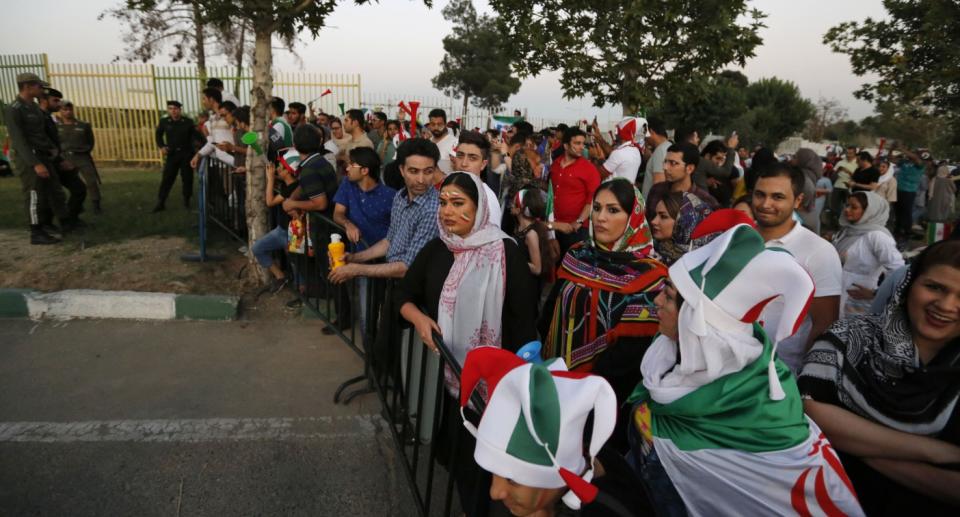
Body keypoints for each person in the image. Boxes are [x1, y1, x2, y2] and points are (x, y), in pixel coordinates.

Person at [630, 219, 862, 516]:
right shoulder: (669, 355)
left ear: (699, 325)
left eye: (670, 296)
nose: (656, 300)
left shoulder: (763, 413)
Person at [395, 172, 538, 516]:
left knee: (488, 468)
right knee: (461, 460)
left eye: (458, 204)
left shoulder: (507, 253)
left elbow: (523, 322)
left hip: (495, 388)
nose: (446, 212)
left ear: (481, 208)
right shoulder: (437, 249)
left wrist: (515, 382)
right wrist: (418, 317)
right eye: (443, 203)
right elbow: (405, 295)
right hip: (447, 382)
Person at [800, 239, 960, 515]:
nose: (946, 305)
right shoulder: (849, 337)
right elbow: (807, 411)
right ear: (910, 284)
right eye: (934, 287)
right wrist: (935, 452)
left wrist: (852, 443)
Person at [541, 178, 667, 451]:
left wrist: (582, 388)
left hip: (604, 397)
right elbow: (551, 308)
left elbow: (631, 354)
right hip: (554, 381)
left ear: (633, 217)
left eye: (613, 210)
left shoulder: (651, 276)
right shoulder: (577, 254)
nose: (600, 218)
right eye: (597, 208)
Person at [458, 347, 653, 517]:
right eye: (495, 472)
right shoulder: (581, 460)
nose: (495, 492)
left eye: (513, 479)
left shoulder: (608, 510)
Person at [752, 163, 842, 372]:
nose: (766, 204)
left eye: (777, 197)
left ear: (798, 200)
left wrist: (804, 377)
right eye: (760, 194)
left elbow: (824, 324)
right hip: (729, 367)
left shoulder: (819, 252)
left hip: (781, 374)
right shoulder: (739, 239)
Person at [328, 138, 441, 283]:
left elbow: (407, 267)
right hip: (394, 281)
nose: (421, 179)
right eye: (413, 171)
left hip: (415, 287)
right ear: (402, 170)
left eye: (428, 171)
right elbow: (389, 241)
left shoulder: (432, 210)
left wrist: (356, 269)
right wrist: (354, 258)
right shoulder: (400, 197)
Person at [4, 73, 72, 244]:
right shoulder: (14, 109)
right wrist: (35, 164)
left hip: (44, 154)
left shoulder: (34, 107)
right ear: (27, 87)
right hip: (29, 157)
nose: (42, 90)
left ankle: (65, 224)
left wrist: (51, 149)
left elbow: (40, 133)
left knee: (55, 190)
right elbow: (19, 140)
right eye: (39, 86)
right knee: (34, 194)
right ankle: (36, 232)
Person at [833, 191, 904, 316]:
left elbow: (898, 270)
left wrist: (876, 293)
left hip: (857, 298)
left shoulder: (877, 236)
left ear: (869, 212)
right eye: (847, 205)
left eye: (854, 207)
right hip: (836, 291)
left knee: (854, 332)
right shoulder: (848, 231)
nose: (847, 210)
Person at [548, 127, 602, 256]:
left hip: (576, 230)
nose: (581, 147)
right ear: (566, 146)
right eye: (577, 143)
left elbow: (593, 199)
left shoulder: (589, 169)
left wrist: (578, 222)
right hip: (553, 228)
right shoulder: (554, 165)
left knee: (573, 268)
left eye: (583, 143)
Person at [250, 156, 300, 294]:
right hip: (281, 230)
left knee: (296, 264)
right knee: (257, 248)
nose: (278, 169)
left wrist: (271, 178)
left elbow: (270, 202)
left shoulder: (294, 188)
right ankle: (280, 276)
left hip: (291, 233)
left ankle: (300, 290)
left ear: (289, 172)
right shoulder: (288, 184)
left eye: (281, 167)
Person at [38, 88, 87, 224]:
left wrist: (61, 159)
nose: (59, 104)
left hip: (57, 160)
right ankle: (49, 224)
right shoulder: (39, 117)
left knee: (79, 189)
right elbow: (43, 141)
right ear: (43, 100)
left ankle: (71, 219)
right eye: (55, 100)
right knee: (52, 195)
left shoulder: (49, 117)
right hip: (47, 162)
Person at [644, 142, 719, 222]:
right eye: (665, 162)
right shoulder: (657, 190)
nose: (665, 167)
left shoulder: (704, 201)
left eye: (673, 163)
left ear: (689, 168)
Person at [153, 100, 200, 212]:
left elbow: (195, 136)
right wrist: (162, 146)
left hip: (186, 154)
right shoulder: (165, 121)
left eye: (175, 108)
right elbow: (158, 134)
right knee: (167, 178)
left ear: (179, 110)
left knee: (187, 178)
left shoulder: (188, 122)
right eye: (170, 108)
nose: (173, 111)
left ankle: (186, 201)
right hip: (172, 154)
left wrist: (200, 145)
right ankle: (161, 202)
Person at [511, 188, 557, 300]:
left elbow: (537, 268)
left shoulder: (531, 234)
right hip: (519, 282)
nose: (510, 206)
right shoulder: (519, 227)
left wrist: (513, 261)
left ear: (519, 209)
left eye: (513, 203)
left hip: (527, 289)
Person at [57, 101, 102, 214]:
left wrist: (85, 150)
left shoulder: (83, 125)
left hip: (82, 156)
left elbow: (90, 142)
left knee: (91, 181)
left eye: (69, 109)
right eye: (64, 109)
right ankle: (74, 204)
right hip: (65, 157)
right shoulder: (57, 127)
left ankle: (96, 205)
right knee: (69, 183)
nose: (68, 112)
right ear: (60, 111)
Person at [649, 191, 713, 266]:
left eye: (663, 216)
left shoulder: (703, 261)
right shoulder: (652, 248)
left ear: (684, 221)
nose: (653, 221)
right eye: (655, 215)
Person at [454, 130, 502, 225]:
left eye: (472, 158)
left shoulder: (487, 200)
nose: (464, 163)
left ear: (483, 164)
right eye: (460, 156)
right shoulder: (450, 188)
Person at [892, 145, 926, 240]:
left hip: (909, 192)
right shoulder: (904, 162)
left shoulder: (920, 164)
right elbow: (891, 159)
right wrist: (891, 148)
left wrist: (902, 149)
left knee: (906, 212)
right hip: (898, 190)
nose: (910, 155)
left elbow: (915, 158)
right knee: (898, 211)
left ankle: (907, 231)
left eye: (913, 153)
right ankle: (897, 230)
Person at [600, 117, 644, 184]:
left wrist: (596, 158)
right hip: (627, 190)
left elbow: (600, 174)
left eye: (617, 130)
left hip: (613, 192)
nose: (615, 134)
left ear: (621, 132)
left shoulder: (619, 153)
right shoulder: (636, 151)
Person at [791, 147, 823, 231]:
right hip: (809, 212)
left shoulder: (802, 176)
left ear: (803, 160)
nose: (791, 159)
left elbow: (807, 192)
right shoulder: (811, 174)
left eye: (795, 157)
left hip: (801, 214)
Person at [640, 116, 670, 198]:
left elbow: (659, 183)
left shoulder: (660, 151)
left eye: (644, 134)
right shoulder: (667, 147)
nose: (644, 138)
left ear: (651, 131)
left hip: (652, 205)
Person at [427, 108, 457, 175]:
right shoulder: (427, 143)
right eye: (433, 124)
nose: (436, 127)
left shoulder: (454, 143)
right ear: (429, 125)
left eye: (439, 124)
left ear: (445, 125)